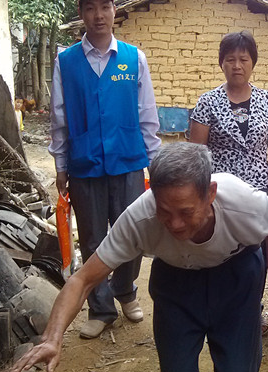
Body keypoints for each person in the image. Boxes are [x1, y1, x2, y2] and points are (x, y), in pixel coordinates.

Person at [9, 143, 268, 372]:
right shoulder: (140, 217)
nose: (175, 223)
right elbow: (83, 279)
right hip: (176, 289)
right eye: (164, 211)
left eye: (186, 212)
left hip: (236, 284)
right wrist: (53, 337)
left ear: (210, 193)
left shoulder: (244, 203)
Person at [48, 0, 161, 339]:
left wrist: (156, 163)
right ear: (81, 13)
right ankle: (100, 308)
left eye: (104, 6)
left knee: (133, 234)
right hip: (85, 163)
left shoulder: (133, 58)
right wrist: (61, 165)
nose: (98, 15)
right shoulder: (66, 61)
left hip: (128, 160)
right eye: (90, 8)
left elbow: (147, 114)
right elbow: (59, 117)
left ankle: (124, 290)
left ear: (114, 10)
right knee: (93, 239)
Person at [188, 30, 268, 197]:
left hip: (261, 189)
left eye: (243, 60)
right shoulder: (208, 102)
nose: (237, 66)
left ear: (252, 63)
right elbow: (196, 152)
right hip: (221, 191)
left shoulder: (265, 99)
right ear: (222, 64)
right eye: (230, 60)